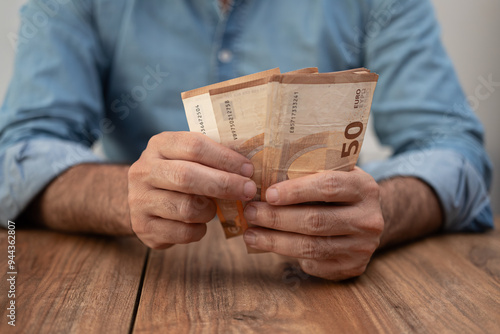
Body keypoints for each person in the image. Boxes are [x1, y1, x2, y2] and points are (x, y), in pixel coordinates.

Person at [0, 0, 493, 281]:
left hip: (324, 286)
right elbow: (17, 153)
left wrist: (380, 209)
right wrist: (123, 197)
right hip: (148, 278)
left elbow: (457, 152)